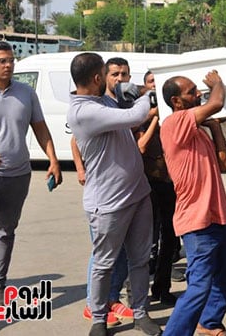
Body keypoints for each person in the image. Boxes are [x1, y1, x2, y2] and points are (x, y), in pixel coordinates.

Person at [68, 52, 162, 336]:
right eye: (107, 74)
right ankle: (98, 317)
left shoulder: (101, 100)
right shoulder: (84, 111)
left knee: (140, 259)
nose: (117, 81)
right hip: (108, 203)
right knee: (104, 263)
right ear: (97, 78)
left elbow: (125, 107)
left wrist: (137, 90)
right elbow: (136, 114)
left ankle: (140, 312)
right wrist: (151, 94)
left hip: (137, 194)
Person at [0, 41, 62, 325]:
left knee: (5, 232)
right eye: (2, 60)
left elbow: (40, 128)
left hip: (18, 175)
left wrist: (53, 159)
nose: (8, 65)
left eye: (11, 60)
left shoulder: (26, 93)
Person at [159, 71, 226, 336]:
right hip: (196, 219)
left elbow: (224, 163)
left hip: (219, 216)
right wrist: (217, 83)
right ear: (176, 101)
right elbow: (215, 103)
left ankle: (209, 324)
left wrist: (215, 128)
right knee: (199, 285)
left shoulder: (198, 131)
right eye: (191, 92)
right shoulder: (173, 123)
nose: (198, 95)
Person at [72, 57, 135, 325]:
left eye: (125, 74)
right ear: (102, 77)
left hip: (127, 191)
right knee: (104, 254)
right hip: (105, 195)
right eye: (115, 74)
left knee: (121, 253)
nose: (120, 79)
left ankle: (111, 298)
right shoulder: (96, 106)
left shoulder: (120, 103)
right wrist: (80, 169)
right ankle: (92, 304)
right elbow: (75, 140)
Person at [135, 70, 177, 305]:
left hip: (171, 184)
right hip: (149, 183)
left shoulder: (173, 115)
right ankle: (138, 293)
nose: (154, 87)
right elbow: (141, 146)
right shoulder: (141, 113)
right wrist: (153, 119)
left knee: (170, 238)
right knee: (146, 240)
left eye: (157, 84)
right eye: (151, 83)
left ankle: (163, 286)